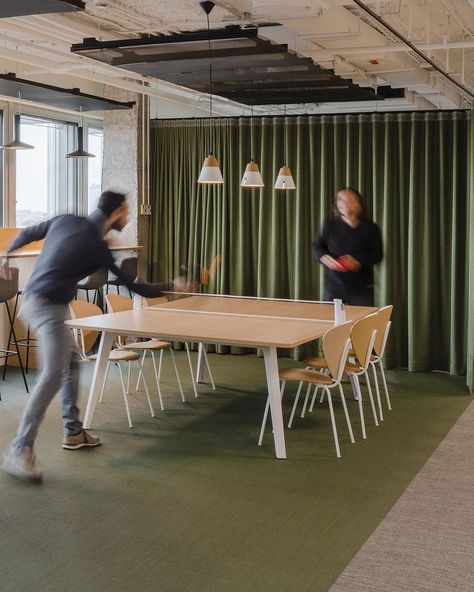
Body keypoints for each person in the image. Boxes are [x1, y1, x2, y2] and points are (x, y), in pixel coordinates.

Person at [0, 190, 191, 484]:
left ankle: (74, 432)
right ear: (115, 213)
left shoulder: (66, 220)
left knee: (72, 363)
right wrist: (174, 286)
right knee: (53, 373)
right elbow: (134, 286)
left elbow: (28, 232)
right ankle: (19, 449)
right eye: (126, 212)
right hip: (46, 305)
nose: (127, 217)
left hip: (45, 302)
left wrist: (8, 253)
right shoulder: (98, 247)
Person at [312, 187, 383, 306]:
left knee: (362, 323)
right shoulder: (329, 225)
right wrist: (323, 257)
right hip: (334, 287)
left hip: (362, 289)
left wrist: (357, 260)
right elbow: (316, 247)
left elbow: (377, 255)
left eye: (349, 200)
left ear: (358, 204)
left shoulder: (371, 228)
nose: (344, 203)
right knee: (332, 323)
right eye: (340, 200)